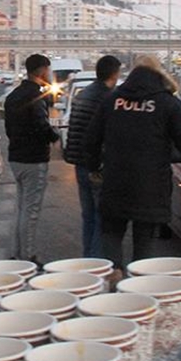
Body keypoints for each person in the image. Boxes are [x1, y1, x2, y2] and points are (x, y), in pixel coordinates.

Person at [84, 55, 181, 276]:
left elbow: (91, 139)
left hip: (115, 183)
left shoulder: (113, 101)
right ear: (158, 74)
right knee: (144, 242)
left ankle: (115, 270)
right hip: (150, 187)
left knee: (111, 233)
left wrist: (94, 168)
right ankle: (139, 281)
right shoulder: (168, 103)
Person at [3, 53, 61, 265]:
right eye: (48, 69)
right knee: (31, 210)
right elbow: (40, 125)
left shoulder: (13, 96)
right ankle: (28, 257)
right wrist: (54, 137)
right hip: (34, 159)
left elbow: (9, 128)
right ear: (42, 70)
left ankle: (16, 252)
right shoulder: (36, 96)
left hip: (16, 157)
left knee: (21, 207)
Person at [63, 54, 120, 257]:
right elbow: (109, 135)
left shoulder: (82, 95)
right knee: (101, 217)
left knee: (88, 216)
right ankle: (96, 262)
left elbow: (74, 131)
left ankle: (88, 257)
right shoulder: (108, 99)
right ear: (114, 74)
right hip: (98, 165)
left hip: (80, 163)